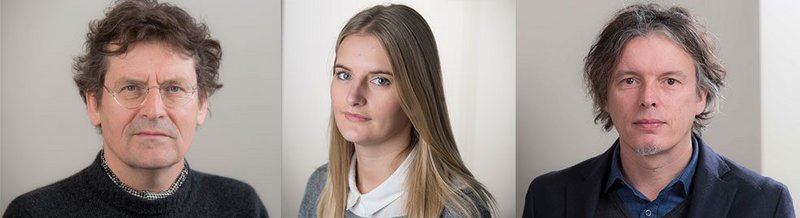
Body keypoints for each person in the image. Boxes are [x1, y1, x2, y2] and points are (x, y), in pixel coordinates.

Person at [523, 3, 794, 218]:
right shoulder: (548, 198)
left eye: (670, 81)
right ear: (604, 96)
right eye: (630, 80)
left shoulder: (765, 204)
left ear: (701, 96)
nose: (648, 98)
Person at [3, 0, 268, 217]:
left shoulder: (242, 207)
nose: (153, 110)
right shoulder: (33, 214)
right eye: (131, 88)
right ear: (94, 104)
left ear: (201, 104)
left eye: (174, 88)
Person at [299, 4, 495, 218]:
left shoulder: (459, 210)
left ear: (417, 94)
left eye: (380, 80)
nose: (353, 97)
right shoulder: (320, 186)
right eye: (344, 75)